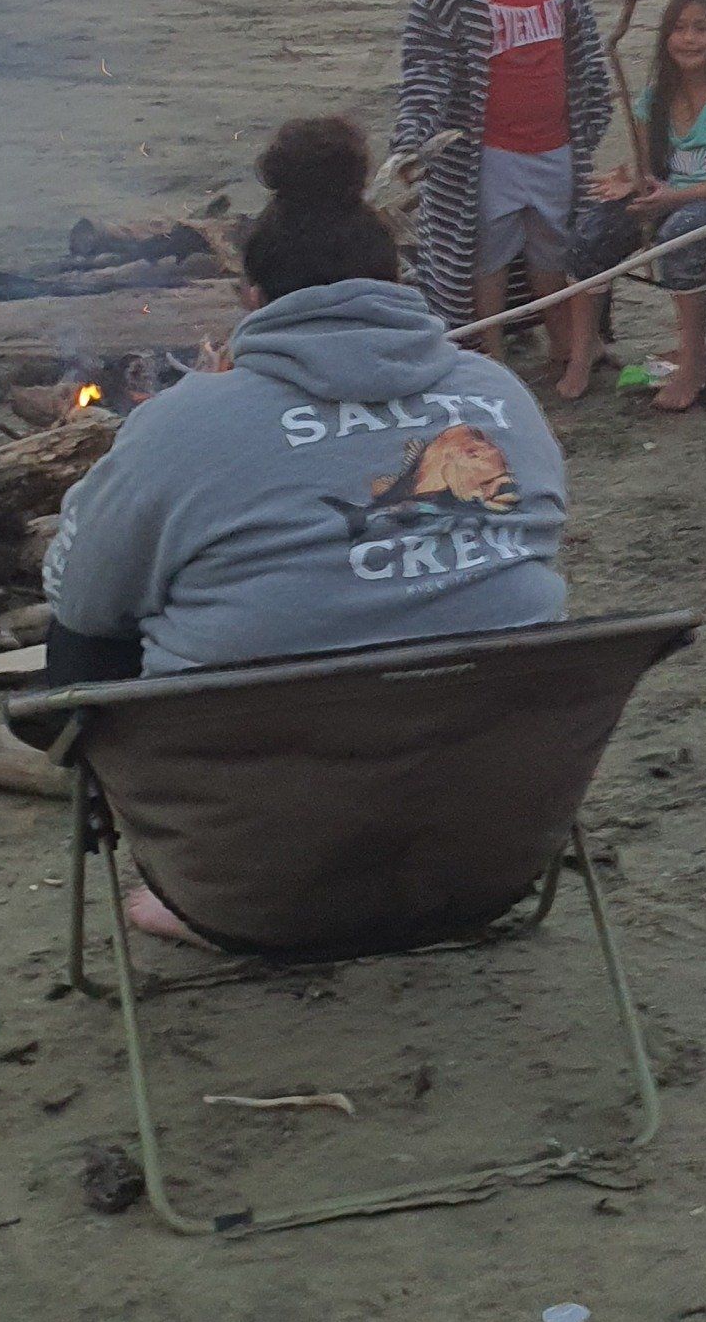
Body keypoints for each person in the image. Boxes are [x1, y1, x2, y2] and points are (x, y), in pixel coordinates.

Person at [42, 116, 571, 936]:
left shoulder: (181, 424)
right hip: (487, 853)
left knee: (89, 631)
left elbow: (82, 604)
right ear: (396, 283)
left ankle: (190, 869)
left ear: (251, 300)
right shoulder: (498, 395)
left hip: (251, 888)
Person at [393, 0, 611, 371]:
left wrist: (593, 106)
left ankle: (564, 346)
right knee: (483, 257)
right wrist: (411, 140)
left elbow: (584, 44)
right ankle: (487, 354)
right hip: (487, 153)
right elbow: (424, 70)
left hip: (557, 144)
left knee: (554, 252)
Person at [561, 0, 706, 412]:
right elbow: (652, 170)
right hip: (671, 198)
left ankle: (693, 364)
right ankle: (586, 349)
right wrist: (633, 182)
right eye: (679, 28)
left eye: (701, 29)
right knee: (591, 229)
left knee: (679, 234)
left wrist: (671, 197)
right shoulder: (654, 100)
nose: (689, 39)